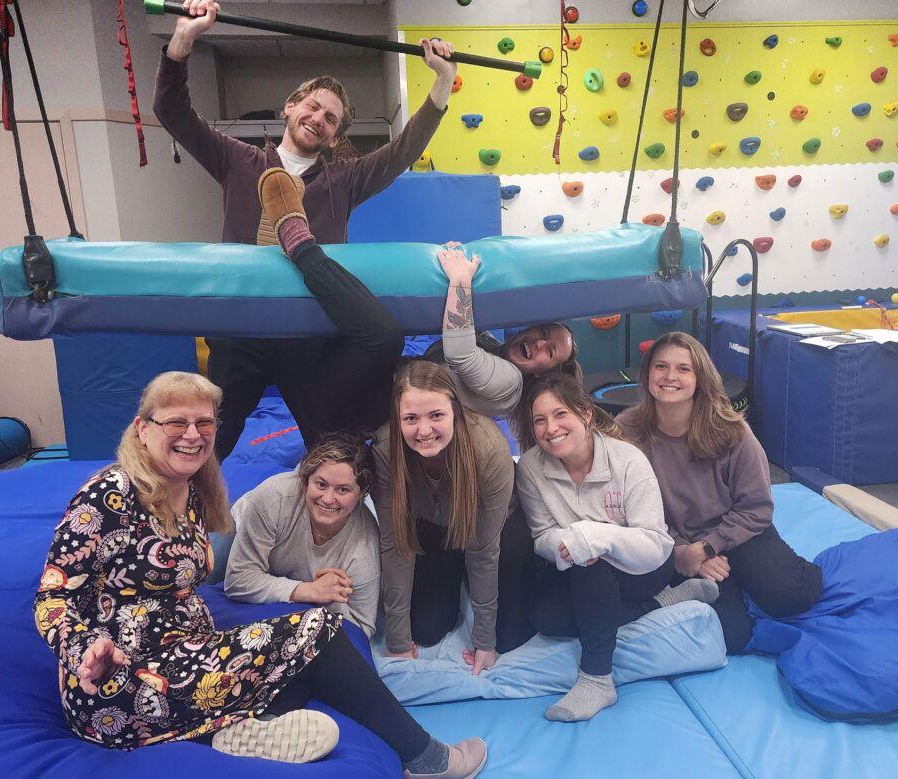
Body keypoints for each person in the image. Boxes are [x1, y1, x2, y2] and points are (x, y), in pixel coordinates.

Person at [33, 371, 485, 777]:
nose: (192, 434)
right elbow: (52, 597)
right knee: (319, 627)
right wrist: (83, 649)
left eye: (204, 423)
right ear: (142, 428)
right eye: (176, 422)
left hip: (182, 658)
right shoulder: (110, 495)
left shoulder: (187, 489)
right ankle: (425, 757)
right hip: (119, 685)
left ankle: (232, 728)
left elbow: (362, 618)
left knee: (314, 641)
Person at [153, 0, 457, 460]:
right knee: (209, 439)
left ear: (335, 138)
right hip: (242, 327)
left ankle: (335, 518)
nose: (319, 118)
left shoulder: (344, 179)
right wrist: (184, 39)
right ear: (290, 108)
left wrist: (443, 80)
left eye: (330, 119)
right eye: (313, 107)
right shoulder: (239, 160)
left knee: (328, 444)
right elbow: (172, 110)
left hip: (309, 331)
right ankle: (180, 514)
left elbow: (402, 150)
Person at [515, 374, 718, 722]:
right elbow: (542, 534)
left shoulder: (627, 460)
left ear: (586, 415)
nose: (551, 428)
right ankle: (662, 602)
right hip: (584, 571)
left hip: (645, 566)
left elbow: (655, 543)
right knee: (547, 619)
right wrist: (563, 546)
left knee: (591, 563)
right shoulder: (531, 467)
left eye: (560, 414)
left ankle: (596, 679)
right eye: (540, 420)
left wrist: (599, 536)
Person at [617, 332, 823, 654]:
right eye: (661, 366)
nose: (670, 376)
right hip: (669, 545)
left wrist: (708, 548)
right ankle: (731, 582)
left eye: (683, 369)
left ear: (699, 378)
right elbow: (621, 509)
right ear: (647, 375)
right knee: (731, 637)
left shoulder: (731, 430)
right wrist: (680, 554)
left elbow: (756, 508)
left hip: (736, 533)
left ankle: (762, 573)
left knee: (791, 597)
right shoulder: (626, 431)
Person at [371, 360, 536, 676]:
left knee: (510, 638)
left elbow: (484, 551)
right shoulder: (385, 449)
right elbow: (395, 546)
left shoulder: (488, 449)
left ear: (455, 412)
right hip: (434, 524)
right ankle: (454, 574)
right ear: (397, 418)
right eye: (410, 418)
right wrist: (398, 641)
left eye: (436, 415)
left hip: (494, 526)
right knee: (426, 629)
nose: (424, 430)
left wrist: (484, 641)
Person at [225, 431, 380, 638]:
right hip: (241, 528)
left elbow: (363, 630)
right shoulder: (274, 498)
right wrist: (309, 591)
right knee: (199, 579)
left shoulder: (363, 547)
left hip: (283, 576)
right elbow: (237, 581)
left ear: (362, 494)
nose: (328, 499)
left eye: (343, 490)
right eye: (321, 484)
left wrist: (331, 599)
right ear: (306, 479)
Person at [431, 243, 581, 450]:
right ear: (525, 329)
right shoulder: (494, 346)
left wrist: (460, 279)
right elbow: (469, 324)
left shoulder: (509, 383)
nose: (539, 343)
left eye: (550, 351)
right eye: (543, 334)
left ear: (542, 373)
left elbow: (461, 355)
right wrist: (457, 253)